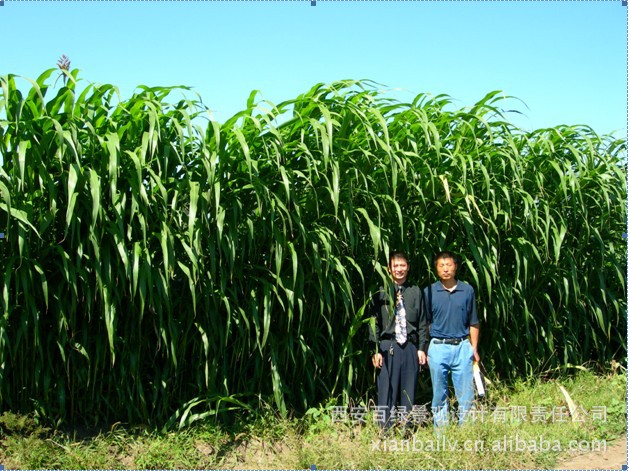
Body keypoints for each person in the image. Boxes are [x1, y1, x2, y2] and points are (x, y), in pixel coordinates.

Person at [369, 251, 429, 429]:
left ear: (408, 267)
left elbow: (422, 322)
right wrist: (376, 350)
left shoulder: (415, 291)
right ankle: (385, 430)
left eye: (403, 265)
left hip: (410, 346)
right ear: (389, 268)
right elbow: (374, 324)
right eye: (395, 266)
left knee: (408, 390)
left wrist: (421, 348)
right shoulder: (380, 292)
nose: (399, 269)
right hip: (388, 346)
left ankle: (406, 429)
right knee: (386, 390)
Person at [425, 251, 480, 427]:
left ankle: (467, 431)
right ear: (436, 269)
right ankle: (441, 432)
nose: (445, 269)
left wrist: (474, 348)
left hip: (462, 346)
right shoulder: (430, 292)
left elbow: (474, 322)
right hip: (438, 347)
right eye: (441, 265)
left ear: (455, 266)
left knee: (466, 394)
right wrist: (427, 348)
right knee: (439, 394)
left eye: (449, 265)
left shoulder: (467, 290)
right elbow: (425, 323)